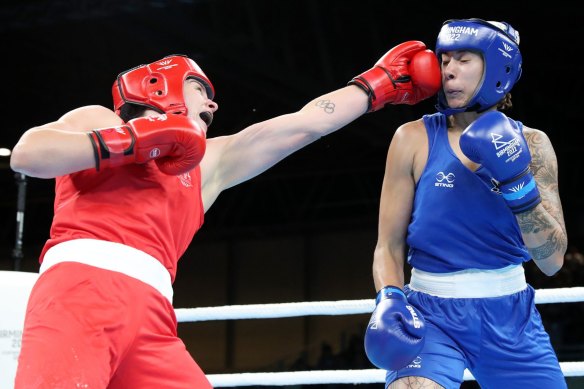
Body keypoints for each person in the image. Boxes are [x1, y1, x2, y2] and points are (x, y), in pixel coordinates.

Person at [9, 41, 441, 388]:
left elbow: (304, 123)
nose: (213, 107)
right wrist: (136, 140)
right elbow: (29, 155)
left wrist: (374, 87)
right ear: (160, 85)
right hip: (79, 292)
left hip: (153, 318)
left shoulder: (208, 164)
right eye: (202, 91)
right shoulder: (97, 118)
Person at [363, 18, 569, 388]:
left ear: (495, 68)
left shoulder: (533, 145)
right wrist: (389, 297)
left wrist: (516, 182)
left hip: (510, 317)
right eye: (444, 61)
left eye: (463, 60)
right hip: (430, 312)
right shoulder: (412, 138)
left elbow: (552, 262)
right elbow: (388, 246)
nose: (448, 71)